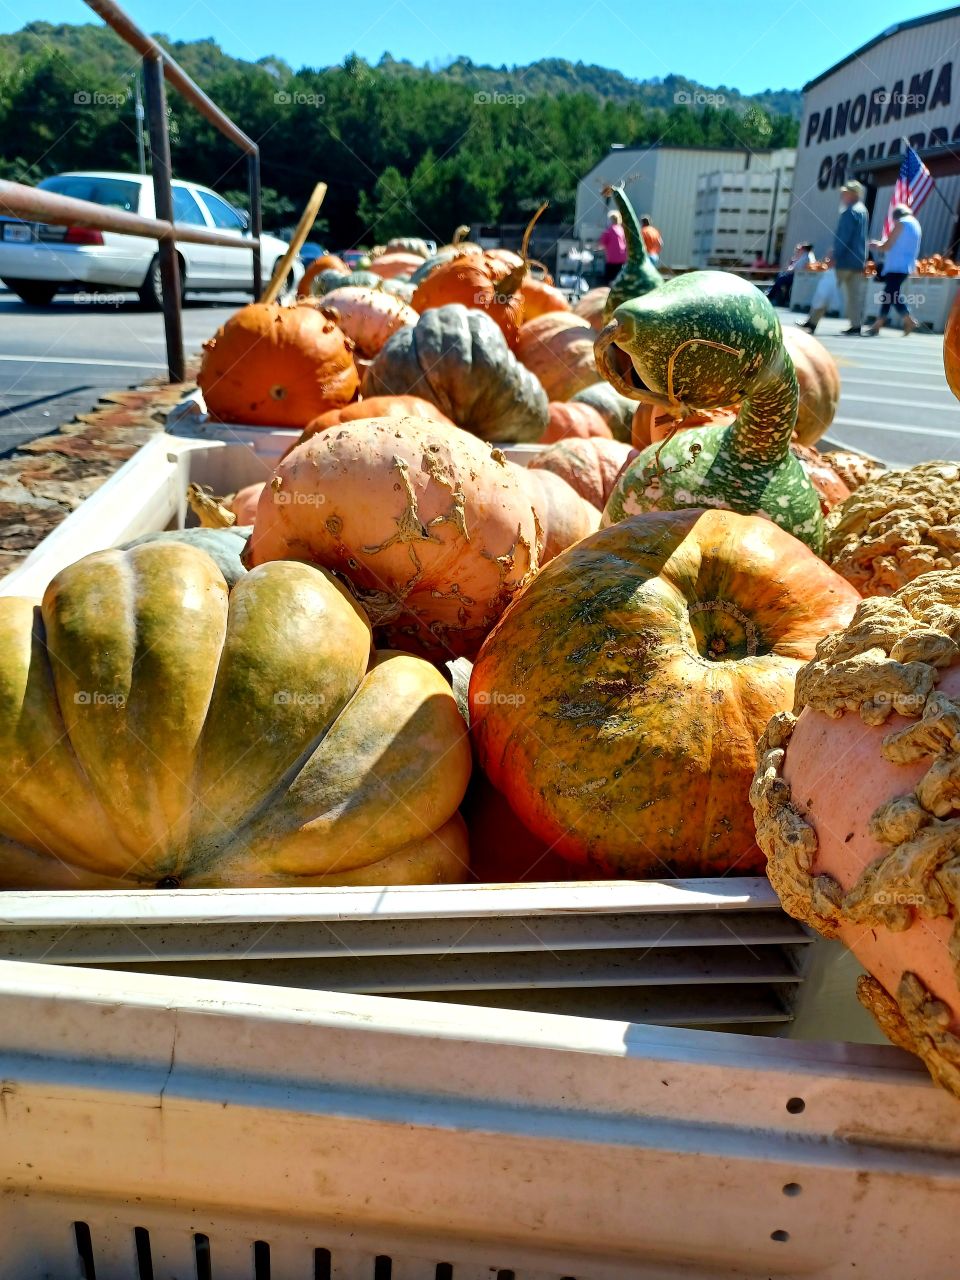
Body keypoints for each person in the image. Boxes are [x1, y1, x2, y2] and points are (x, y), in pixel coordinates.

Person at [797, 180, 868, 336]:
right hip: (858, 260)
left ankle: (812, 321)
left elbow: (844, 237)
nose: (842, 195)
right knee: (854, 295)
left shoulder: (850, 212)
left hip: (844, 260)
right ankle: (856, 325)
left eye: (845, 193)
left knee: (826, 288)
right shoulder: (863, 211)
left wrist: (835, 256)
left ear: (853, 194)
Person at [865, 204, 921, 336]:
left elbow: (887, 246)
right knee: (889, 294)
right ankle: (879, 324)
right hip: (906, 265)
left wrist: (876, 245)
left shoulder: (901, 223)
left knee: (891, 295)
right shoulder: (915, 224)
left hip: (896, 266)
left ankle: (908, 319)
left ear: (895, 217)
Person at [767, 243, 815, 307]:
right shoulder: (808, 256)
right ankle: (780, 298)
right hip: (798, 276)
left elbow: (795, 268)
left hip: (797, 276)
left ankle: (770, 296)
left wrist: (788, 270)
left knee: (780, 279)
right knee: (781, 279)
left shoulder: (805, 257)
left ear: (804, 249)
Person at [599, 210, 627, 283]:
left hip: (612, 259)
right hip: (622, 258)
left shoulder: (610, 230)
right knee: (618, 278)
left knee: (609, 279)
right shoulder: (621, 229)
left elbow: (602, 243)